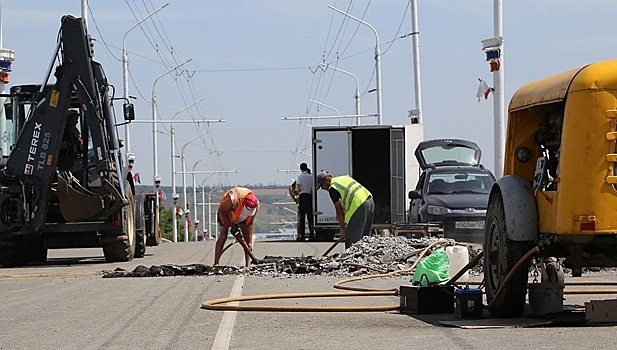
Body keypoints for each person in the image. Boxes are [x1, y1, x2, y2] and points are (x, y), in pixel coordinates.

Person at [316, 171, 374, 249]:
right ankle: (367, 257)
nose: (322, 188)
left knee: (351, 239)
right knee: (365, 237)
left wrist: (343, 230)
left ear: (326, 179)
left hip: (359, 205)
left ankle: (352, 259)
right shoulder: (342, 178)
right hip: (370, 201)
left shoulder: (332, 188)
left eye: (321, 185)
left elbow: (339, 212)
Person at [213, 187, 260, 267]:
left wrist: (248, 243)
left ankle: (247, 265)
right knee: (223, 235)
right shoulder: (233, 199)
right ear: (243, 203)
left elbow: (250, 224)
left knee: (247, 239)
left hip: (239, 215)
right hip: (226, 213)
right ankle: (216, 263)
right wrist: (231, 224)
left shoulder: (256, 205)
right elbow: (222, 210)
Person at [296, 163, 315, 241]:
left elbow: (298, 188)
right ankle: (311, 234)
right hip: (310, 196)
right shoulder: (311, 177)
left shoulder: (300, 177)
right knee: (310, 217)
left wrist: (296, 192)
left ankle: (302, 235)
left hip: (302, 196)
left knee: (302, 217)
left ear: (301, 169)